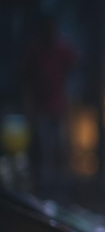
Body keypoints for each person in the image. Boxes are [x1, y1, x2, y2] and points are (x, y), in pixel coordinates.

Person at [20, 13, 77, 196]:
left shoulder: (62, 48)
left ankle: (61, 188)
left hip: (58, 106)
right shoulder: (35, 50)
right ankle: (45, 188)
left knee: (60, 147)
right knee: (44, 149)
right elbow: (25, 78)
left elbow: (74, 68)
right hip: (41, 108)